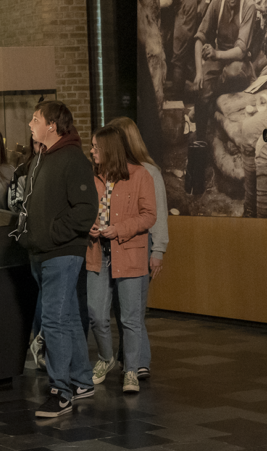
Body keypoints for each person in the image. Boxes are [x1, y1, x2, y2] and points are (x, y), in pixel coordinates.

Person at [11, 100, 98, 418]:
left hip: (61, 253)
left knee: (54, 321)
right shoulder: (41, 158)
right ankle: (82, 381)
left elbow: (86, 209)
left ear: (52, 125)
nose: (31, 124)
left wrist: (49, 234)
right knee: (69, 317)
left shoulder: (73, 159)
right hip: (42, 251)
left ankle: (61, 391)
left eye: (36, 119)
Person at [86, 125, 157, 394]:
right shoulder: (91, 177)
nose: (92, 151)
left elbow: (149, 215)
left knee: (130, 318)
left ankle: (131, 371)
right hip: (97, 253)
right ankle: (106, 358)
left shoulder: (140, 175)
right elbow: (82, 210)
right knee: (96, 313)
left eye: (96, 146)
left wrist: (120, 229)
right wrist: (89, 226)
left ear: (109, 149)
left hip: (128, 252)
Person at [108, 117, 170, 380]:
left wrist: (158, 251)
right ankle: (129, 358)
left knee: (133, 309)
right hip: (116, 246)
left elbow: (158, 215)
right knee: (122, 310)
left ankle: (140, 360)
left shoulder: (148, 172)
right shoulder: (114, 171)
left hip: (141, 247)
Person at [188, 0, 256, 195]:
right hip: (218, 63)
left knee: (233, 72)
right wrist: (199, 72)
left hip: (238, 64)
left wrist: (216, 54)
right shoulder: (217, 3)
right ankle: (200, 150)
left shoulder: (248, 6)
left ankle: (208, 103)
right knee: (201, 91)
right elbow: (198, 39)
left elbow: (240, 50)